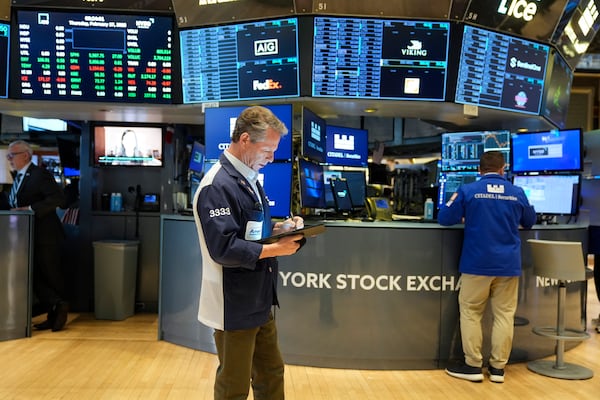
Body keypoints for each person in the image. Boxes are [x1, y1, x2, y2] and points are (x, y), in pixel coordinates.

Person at [193, 106, 304, 400]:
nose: (271, 157)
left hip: (259, 299)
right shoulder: (216, 185)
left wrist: (280, 230)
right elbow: (224, 248)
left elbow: (251, 231)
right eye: (268, 149)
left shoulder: (249, 178)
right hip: (232, 304)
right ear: (245, 139)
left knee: (271, 374)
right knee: (234, 386)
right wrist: (275, 249)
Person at [438, 150, 537, 383]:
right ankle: (498, 369)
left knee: (471, 312)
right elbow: (530, 221)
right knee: (504, 315)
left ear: (479, 170)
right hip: (508, 264)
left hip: (477, 263)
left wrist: (466, 216)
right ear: (504, 169)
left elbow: (444, 218)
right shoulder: (517, 192)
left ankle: (472, 366)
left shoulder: (468, 190)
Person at [6, 140, 69, 332]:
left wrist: (30, 209)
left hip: (46, 236)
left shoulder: (40, 175)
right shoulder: (18, 178)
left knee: (50, 275)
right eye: (8, 156)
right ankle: (53, 312)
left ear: (25, 155)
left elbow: (58, 199)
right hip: (28, 236)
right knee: (37, 277)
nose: (9, 159)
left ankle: (59, 310)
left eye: (12, 155)